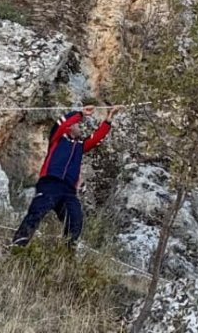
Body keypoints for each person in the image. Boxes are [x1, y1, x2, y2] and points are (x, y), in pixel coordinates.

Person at [12, 104, 119, 248]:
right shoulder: (57, 138)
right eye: (77, 125)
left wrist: (108, 119)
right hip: (50, 183)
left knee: (75, 219)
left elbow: (96, 138)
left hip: (69, 190)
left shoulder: (81, 145)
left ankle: (66, 253)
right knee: (36, 214)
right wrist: (80, 113)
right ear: (69, 128)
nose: (80, 127)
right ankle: (17, 246)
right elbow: (61, 123)